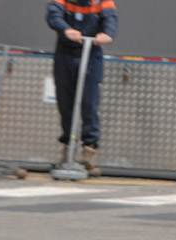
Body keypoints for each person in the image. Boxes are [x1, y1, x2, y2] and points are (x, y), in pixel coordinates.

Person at [46, 0, 118, 171]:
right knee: (65, 103)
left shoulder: (102, 2)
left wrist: (107, 34)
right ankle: (68, 147)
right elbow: (53, 15)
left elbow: (110, 19)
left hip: (91, 54)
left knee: (89, 103)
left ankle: (89, 148)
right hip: (65, 55)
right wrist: (66, 29)